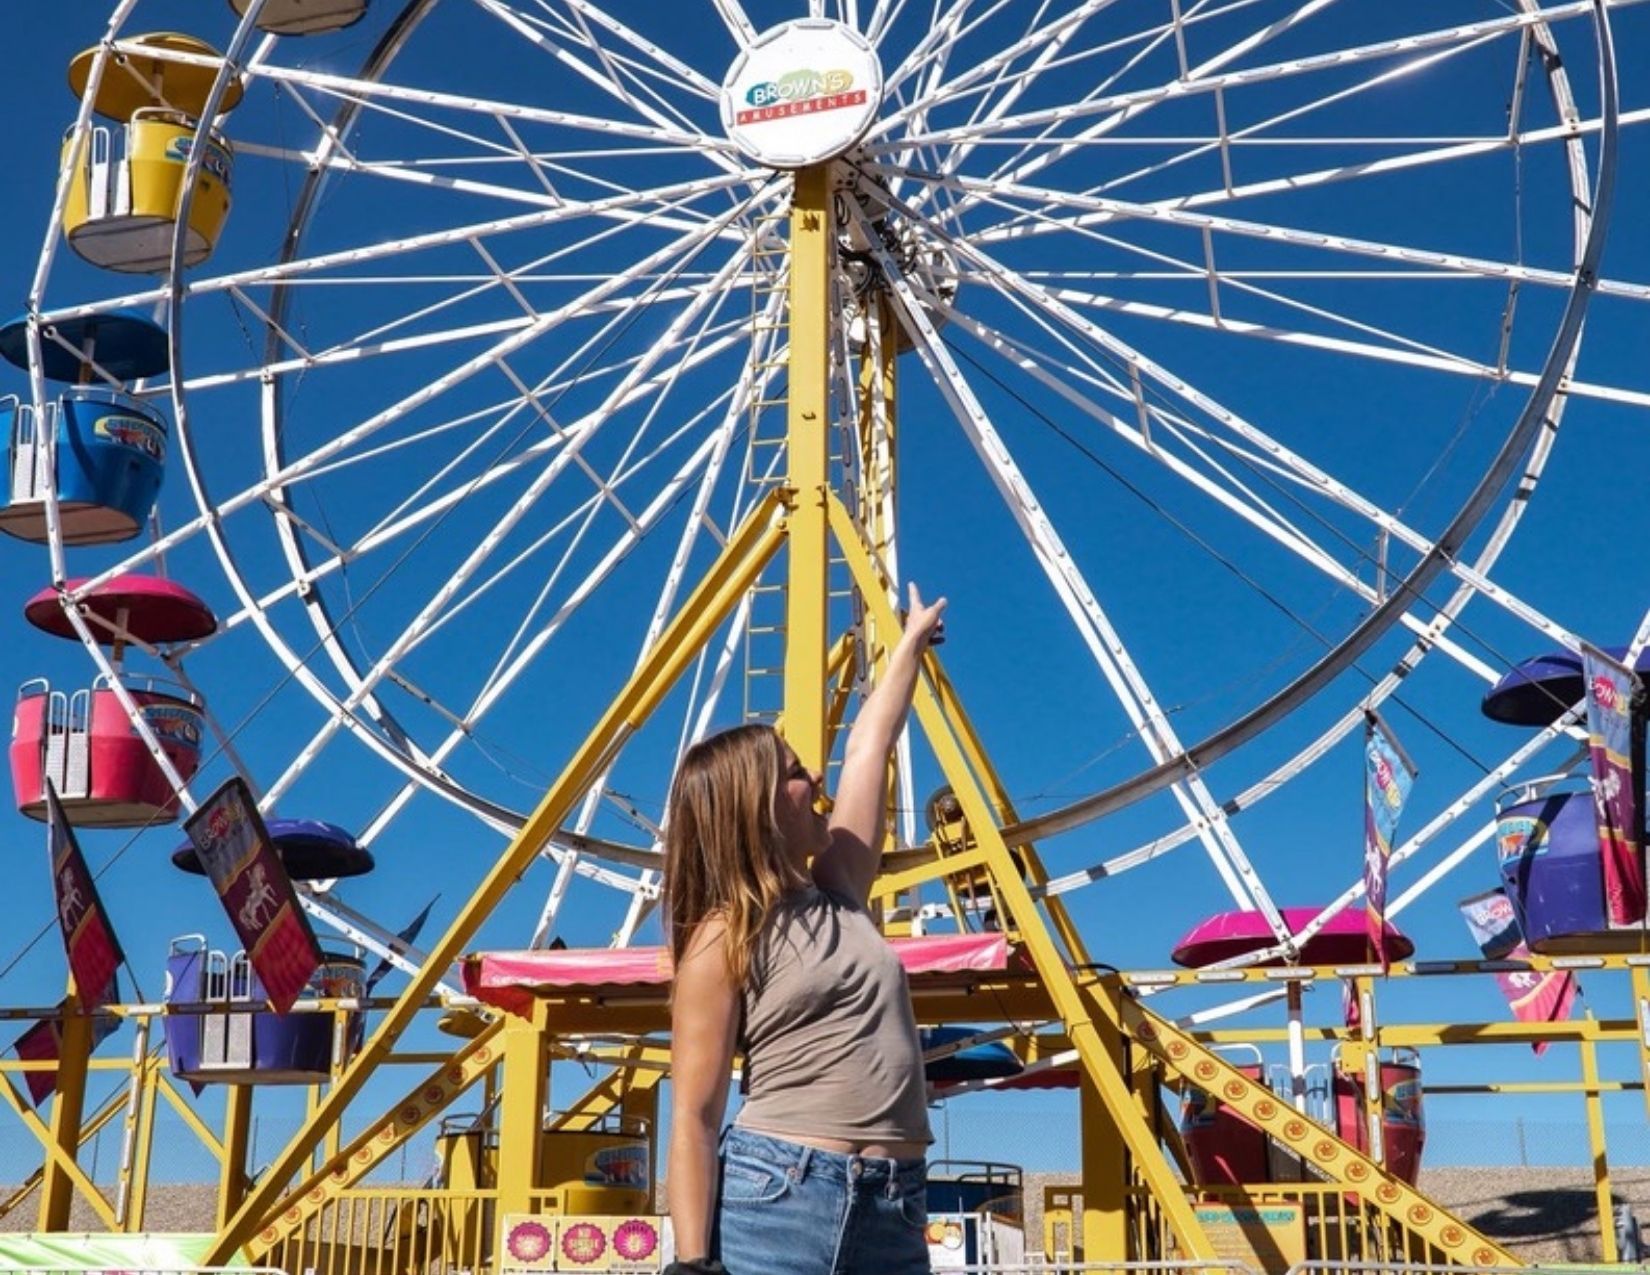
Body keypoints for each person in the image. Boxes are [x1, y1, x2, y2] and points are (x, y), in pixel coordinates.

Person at [662, 584, 947, 1275]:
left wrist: (908, 644)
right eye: (794, 773)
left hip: (897, 1201)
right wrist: (695, 1264)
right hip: (782, 1195)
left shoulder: (841, 886)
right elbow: (695, 1118)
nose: (815, 776)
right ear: (754, 807)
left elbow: (871, 744)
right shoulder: (720, 937)